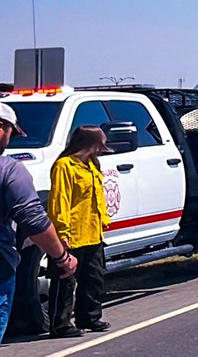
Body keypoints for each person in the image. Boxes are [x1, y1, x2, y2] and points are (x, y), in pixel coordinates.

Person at [0, 103, 77, 342]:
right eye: (11, 132)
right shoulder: (10, 170)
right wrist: (62, 257)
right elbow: (34, 221)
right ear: (2, 128)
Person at [47, 126, 112, 338]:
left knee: (93, 277)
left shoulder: (93, 164)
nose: (101, 150)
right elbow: (60, 200)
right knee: (66, 280)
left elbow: (97, 196)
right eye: (99, 145)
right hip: (72, 234)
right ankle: (61, 324)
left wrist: (104, 219)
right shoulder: (64, 166)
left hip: (93, 232)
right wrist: (62, 233)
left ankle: (89, 317)